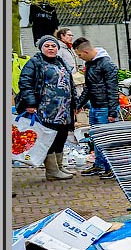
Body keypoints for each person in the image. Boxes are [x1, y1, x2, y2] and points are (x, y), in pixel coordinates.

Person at [15, 35, 78, 181]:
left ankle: (59, 166)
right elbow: (25, 82)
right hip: (45, 109)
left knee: (61, 137)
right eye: (47, 46)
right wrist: (30, 103)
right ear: (41, 48)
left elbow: (70, 84)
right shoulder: (35, 62)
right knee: (49, 138)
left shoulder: (61, 62)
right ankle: (52, 170)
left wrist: (75, 104)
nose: (51, 48)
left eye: (53, 46)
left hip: (63, 110)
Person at [73, 36, 120, 180]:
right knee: (96, 138)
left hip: (105, 108)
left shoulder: (107, 64)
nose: (79, 58)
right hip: (95, 106)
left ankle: (112, 168)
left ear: (86, 52)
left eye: (79, 55)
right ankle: (99, 165)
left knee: (107, 139)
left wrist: (112, 112)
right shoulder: (91, 64)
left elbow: (113, 89)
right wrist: (79, 104)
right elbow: (89, 88)